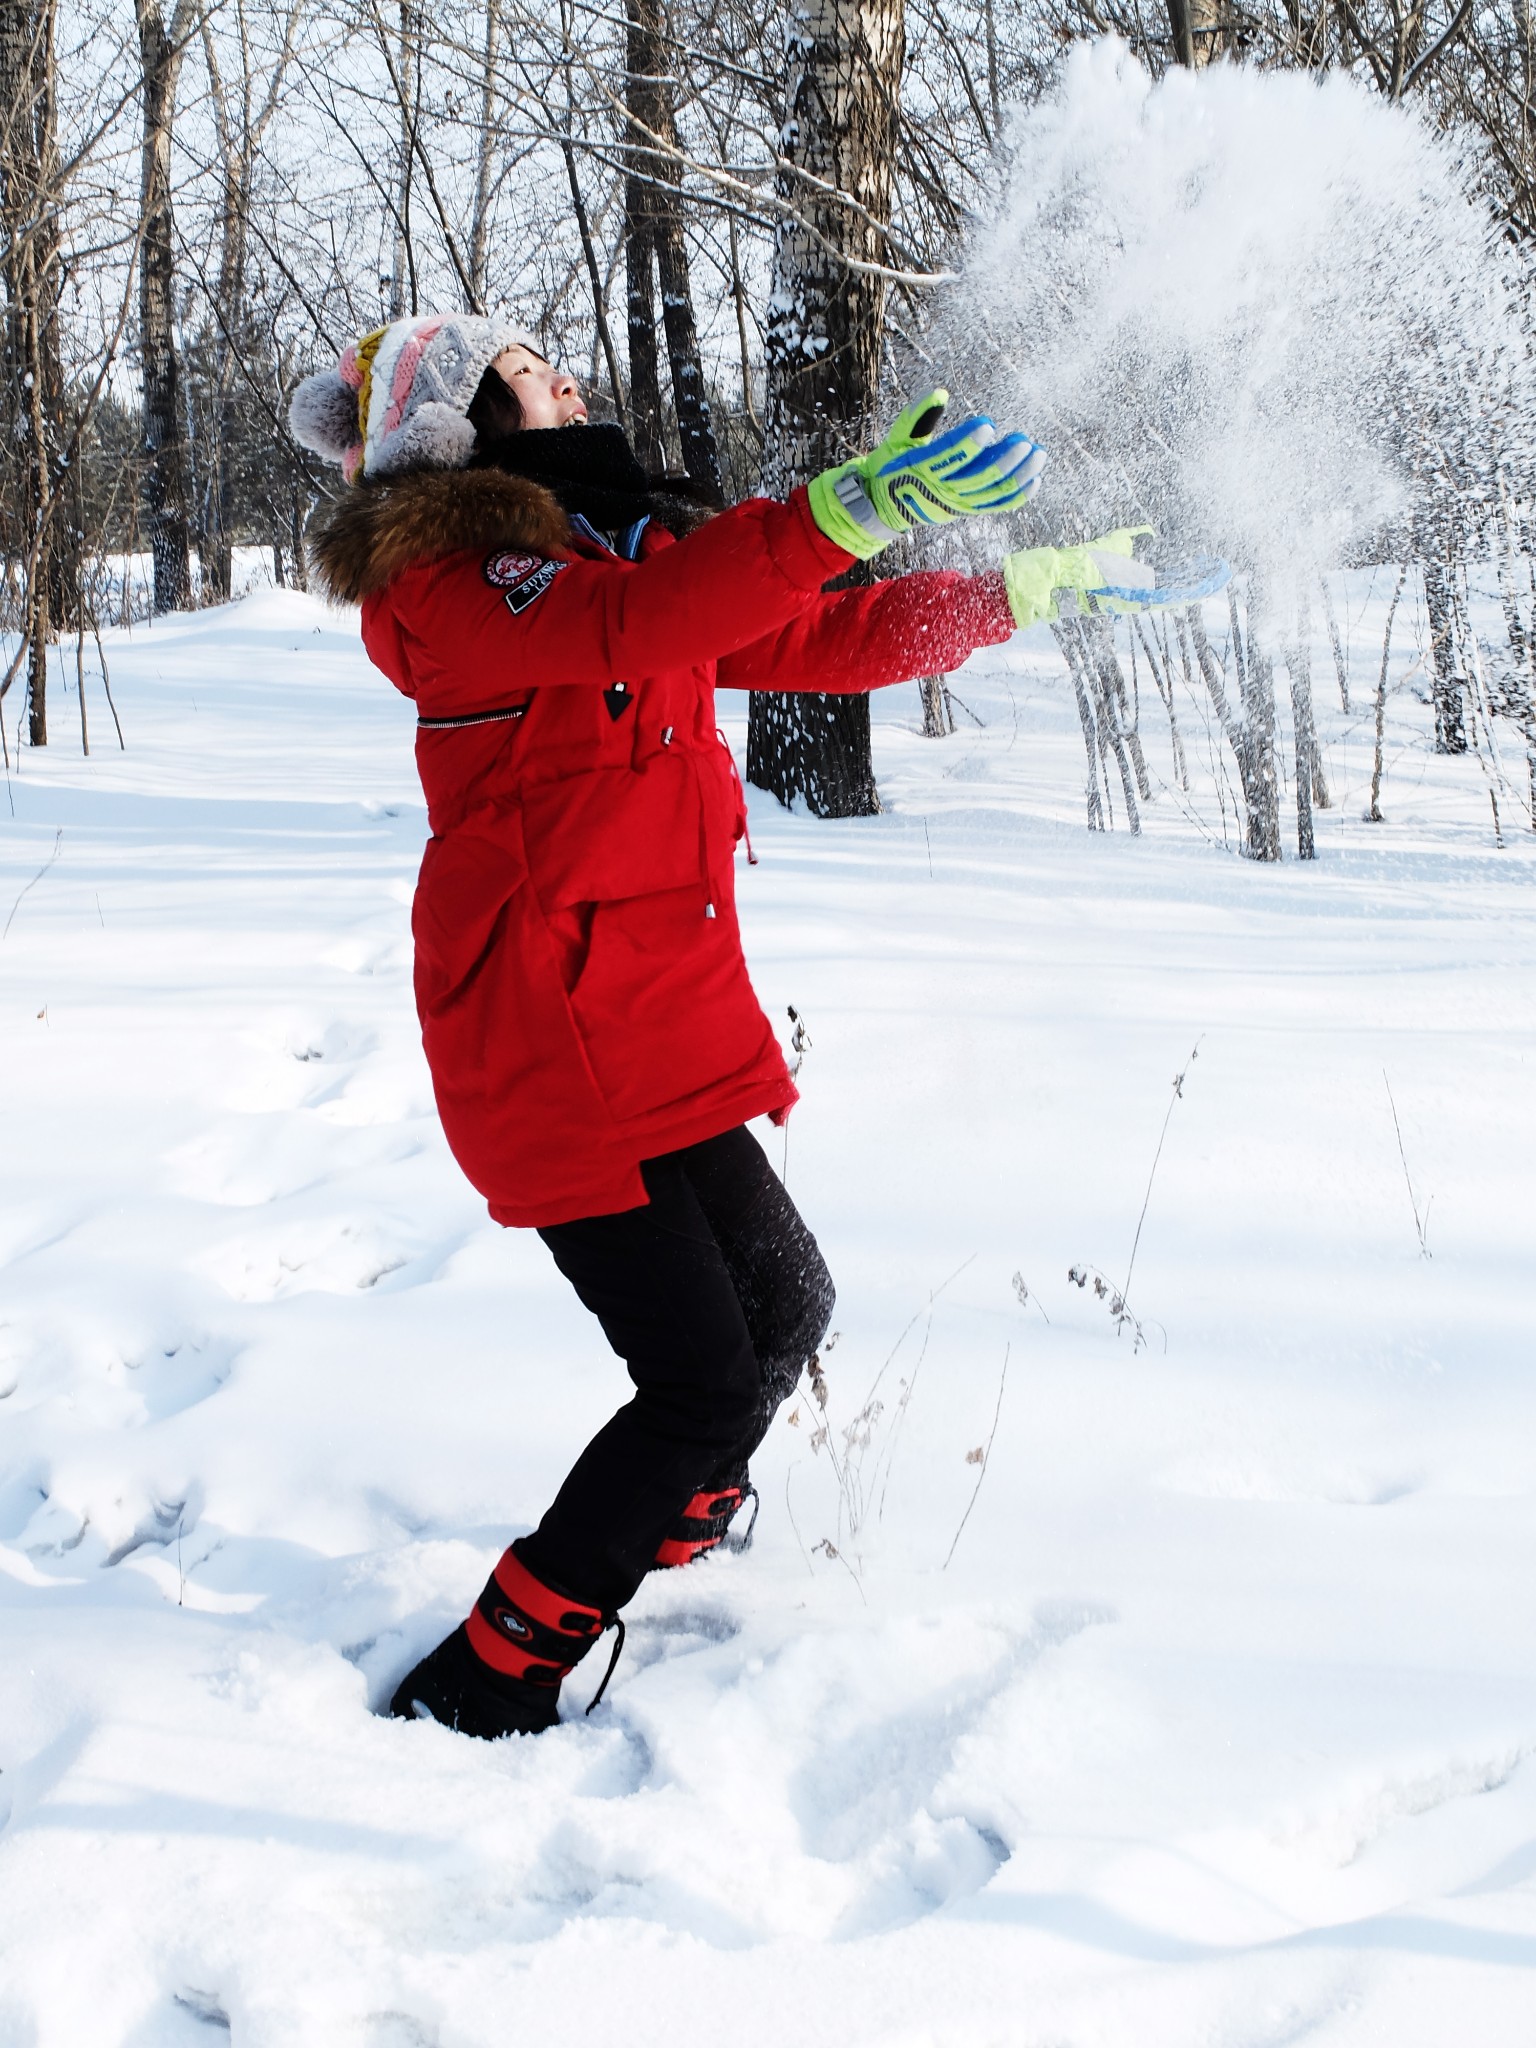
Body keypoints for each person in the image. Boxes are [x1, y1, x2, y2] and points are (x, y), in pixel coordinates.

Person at [289, 311, 1117, 1741]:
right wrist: (846, 505)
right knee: (696, 1383)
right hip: (543, 1037)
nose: (574, 381)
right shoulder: (450, 587)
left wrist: (1013, 595)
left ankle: (665, 1527)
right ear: (465, 419)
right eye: (539, 372)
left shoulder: (612, 552)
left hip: (655, 1017)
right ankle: (491, 1673)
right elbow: (643, 627)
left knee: (788, 1302)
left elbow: (811, 634)